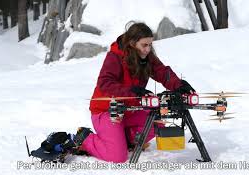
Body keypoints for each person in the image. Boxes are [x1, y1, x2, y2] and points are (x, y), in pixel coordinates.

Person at [44, 22, 196, 163]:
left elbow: (162, 73)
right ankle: (84, 138)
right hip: (106, 110)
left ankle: (122, 140)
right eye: (144, 45)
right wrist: (131, 91)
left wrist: (179, 85)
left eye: (150, 44)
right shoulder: (115, 56)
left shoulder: (147, 57)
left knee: (158, 121)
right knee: (117, 156)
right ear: (132, 43)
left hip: (130, 110)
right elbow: (105, 83)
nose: (148, 49)